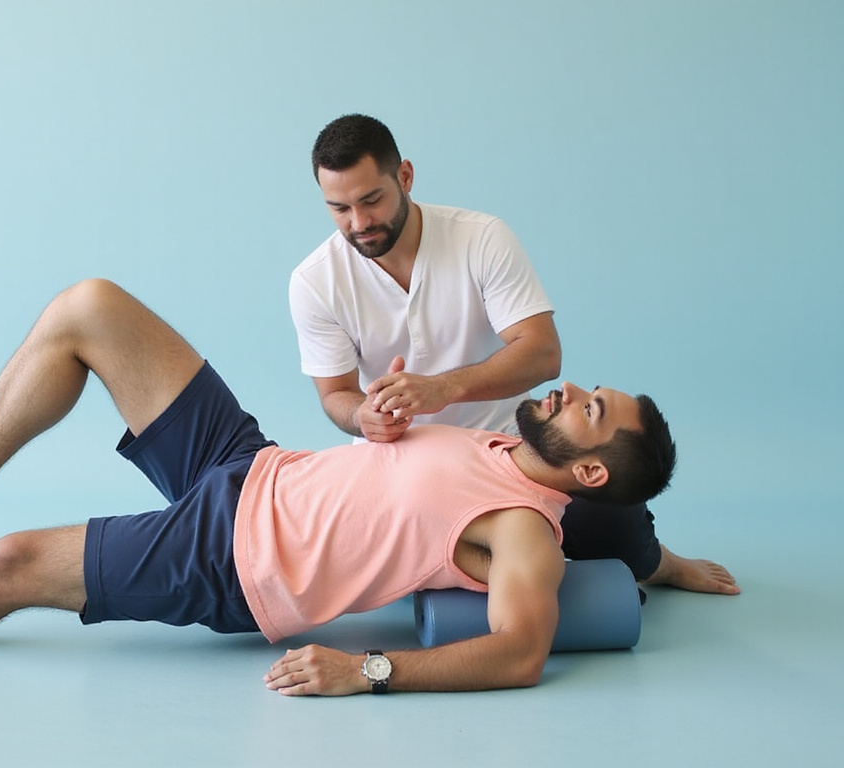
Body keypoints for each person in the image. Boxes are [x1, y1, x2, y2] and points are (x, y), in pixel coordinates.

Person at [0, 278, 677, 696]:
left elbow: (518, 652)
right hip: (252, 467)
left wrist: (365, 673)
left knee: (8, 568)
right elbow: (623, 529)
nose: (574, 388)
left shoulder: (527, 532)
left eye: (594, 407)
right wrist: (660, 563)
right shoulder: (502, 446)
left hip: (239, 561)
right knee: (91, 308)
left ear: (587, 471)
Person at [289, 114, 737, 595]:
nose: (359, 224)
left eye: (371, 200)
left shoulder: (480, 238)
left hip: (516, 453)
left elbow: (542, 352)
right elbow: (336, 394)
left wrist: (443, 388)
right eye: (339, 209)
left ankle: (657, 562)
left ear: (405, 177)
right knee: (381, 558)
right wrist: (363, 418)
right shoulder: (315, 281)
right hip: (405, 466)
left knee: (612, 511)